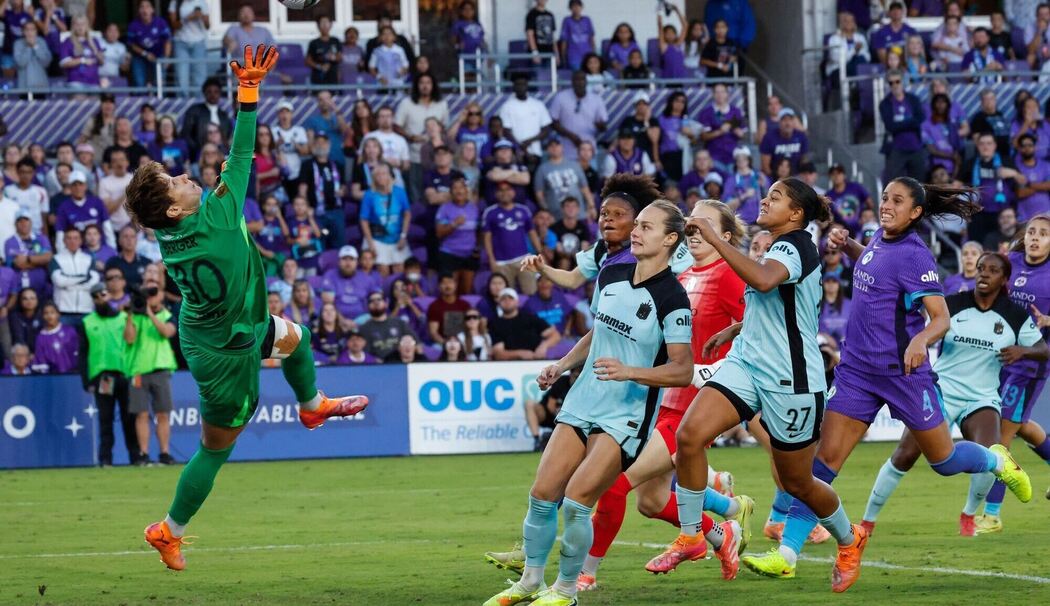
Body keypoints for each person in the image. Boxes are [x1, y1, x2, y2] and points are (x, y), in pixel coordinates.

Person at [126, 45, 367, 570]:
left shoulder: (179, 232)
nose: (188, 176)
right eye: (177, 181)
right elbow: (239, 156)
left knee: (297, 338)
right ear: (173, 208)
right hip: (223, 350)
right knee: (215, 448)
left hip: (227, 323)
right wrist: (249, 92)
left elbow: (226, 168)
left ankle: (311, 405)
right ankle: (168, 530)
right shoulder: (218, 213)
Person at [740, 178, 1032, 585]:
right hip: (858, 372)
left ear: (915, 213)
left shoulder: (917, 255)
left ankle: (997, 460)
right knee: (822, 466)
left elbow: (941, 317)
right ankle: (787, 553)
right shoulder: (879, 237)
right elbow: (878, 272)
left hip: (903, 375)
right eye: (884, 198)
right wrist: (852, 248)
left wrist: (920, 339)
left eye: (897, 201)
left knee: (944, 461)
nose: (886, 206)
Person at [649, 178, 866, 592]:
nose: (766, 200)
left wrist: (714, 237)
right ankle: (694, 533)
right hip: (747, 363)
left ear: (797, 214)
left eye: (777, 197)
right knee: (689, 436)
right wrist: (735, 328)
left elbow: (766, 282)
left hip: (791, 380)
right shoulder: (777, 246)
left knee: (798, 482)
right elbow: (774, 303)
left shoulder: (798, 245)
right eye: (767, 195)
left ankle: (848, 536)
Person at [483, 201, 692, 606]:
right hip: (584, 399)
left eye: (647, 227)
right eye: (638, 225)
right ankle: (529, 582)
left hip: (626, 414)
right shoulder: (612, 273)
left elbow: (682, 369)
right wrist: (561, 365)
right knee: (542, 492)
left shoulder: (673, 298)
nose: (636, 231)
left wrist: (631, 372)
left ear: (669, 240)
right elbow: (598, 333)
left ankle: (565, 591)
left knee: (578, 500)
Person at [583, 200, 751, 589]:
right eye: (692, 220)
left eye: (704, 223)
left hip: (696, 405)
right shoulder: (684, 275)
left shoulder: (728, 275)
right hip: (660, 401)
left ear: (724, 236)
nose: (695, 227)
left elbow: (760, 322)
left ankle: (584, 574)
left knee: (614, 483)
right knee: (651, 501)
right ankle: (720, 528)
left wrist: (720, 359)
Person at [861, 252, 1047, 535]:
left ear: (1004, 279)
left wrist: (1024, 350)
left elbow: (1044, 350)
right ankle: (867, 520)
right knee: (905, 454)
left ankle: (969, 515)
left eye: (993, 270)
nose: (983, 274)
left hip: (983, 397)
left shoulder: (1015, 316)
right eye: (981, 268)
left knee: (991, 459)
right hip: (942, 391)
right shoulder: (952, 305)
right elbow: (924, 332)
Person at [976, 214, 1050, 533]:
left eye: (1043, 234)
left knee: (1000, 439)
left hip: (1030, 367)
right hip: (1002, 359)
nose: (1035, 237)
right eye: (1031, 232)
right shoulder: (1013, 261)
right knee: (1019, 427)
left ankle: (992, 515)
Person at [125, 268, 178, 466]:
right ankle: (144, 454)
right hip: (138, 369)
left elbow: (166, 332)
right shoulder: (135, 316)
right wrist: (132, 312)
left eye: (154, 293)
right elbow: (129, 338)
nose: (151, 297)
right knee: (141, 414)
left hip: (160, 369)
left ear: (162, 295)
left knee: (163, 413)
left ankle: (164, 452)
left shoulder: (167, 315)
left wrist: (148, 313)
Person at [79, 284, 136, 466]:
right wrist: (86, 380)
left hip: (123, 374)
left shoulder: (122, 318)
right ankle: (106, 459)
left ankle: (135, 457)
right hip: (104, 377)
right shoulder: (88, 322)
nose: (100, 298)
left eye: (102, 294)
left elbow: (131, 341)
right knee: (106, 417)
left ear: (109, 295)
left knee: (129, 417)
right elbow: (83, 353)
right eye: (95, 296)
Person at [962, 133, 1023, 245]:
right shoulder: (971, 163)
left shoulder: (1005, 161)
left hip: (1001, 215)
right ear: (978, 146)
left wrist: (1013, 173)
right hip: (978, 215)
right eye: (982, 144)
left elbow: (1023, 181)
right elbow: (957, 186)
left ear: (995, 146)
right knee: (977, 246)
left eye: (989, 143)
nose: (985, 147)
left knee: (1002, 247)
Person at [483, 181, 542, 295]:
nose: (505, 193)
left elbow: (532, 233)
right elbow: (487, 238)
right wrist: (491, 259)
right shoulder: (490, 212)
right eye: (501, 190)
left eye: (508, 189)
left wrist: (540, 252)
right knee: (505, 295)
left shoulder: (523, 210)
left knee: (531, 292)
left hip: (524, 259)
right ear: (496, 194)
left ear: (513, 192)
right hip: (501, 262)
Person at [360, 162, 411, 276]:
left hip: (397, 237)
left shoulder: (399, 192)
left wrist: (403, 236)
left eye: (384, 174)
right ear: (374, 178)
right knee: (383, 270)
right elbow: (364, 220)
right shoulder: (369, 195)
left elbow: (407, 213)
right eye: (378, 175)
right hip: (377, 238)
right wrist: (370, 243)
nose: (381, 177)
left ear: (390, 176)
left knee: (400, 269)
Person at [435, 175, 480, 296]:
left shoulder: (474, 208)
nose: (459, 191)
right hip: (450, 254)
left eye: (462, 188)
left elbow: (479, 231)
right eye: (455, 188)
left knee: (467, 291)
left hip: (469, 254)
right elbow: (439, 233)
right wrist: (454, 224)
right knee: (451, 292)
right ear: (451, 192)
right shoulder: (444, 209)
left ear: (466, 191)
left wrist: (477, 248)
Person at [548, 71, 608, 161]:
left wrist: (601, 126)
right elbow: (552, 122)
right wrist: (571, 136)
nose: (579, 82)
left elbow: (603, 125)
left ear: (586, 82)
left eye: (582, 79)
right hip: (565, 149)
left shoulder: (596, 99)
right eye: (576, 80)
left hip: (588, 149)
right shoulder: (561, 97)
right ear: (572, 82)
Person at [879, 70, 927, 182]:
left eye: (897, 81)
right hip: (896, 148)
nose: (895, 85)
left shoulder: (913, 99)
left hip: (916, 146)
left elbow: (920, 119)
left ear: (902, 82)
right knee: (892, 183)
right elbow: (890, 126)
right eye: (891, 83)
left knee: (919, 183)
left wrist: (900, 124)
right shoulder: (885, 104)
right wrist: (910, 122)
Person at [489, 287, 560, 361]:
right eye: (503, 299)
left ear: (517, 302)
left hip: (538, 360)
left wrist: (544, 346)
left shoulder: (530, 318)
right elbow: (499, 354)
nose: (507, 301)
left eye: (510, 298)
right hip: (510, 364)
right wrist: (520, 354)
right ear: (499, 303)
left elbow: (555, 335)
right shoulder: (495, 324)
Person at [535, 136, 593, 220]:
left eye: (557, 145)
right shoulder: (542, 169)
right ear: (547, 149)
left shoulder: (575, 165)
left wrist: (591, 206)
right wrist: (546, 210)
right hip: (556, 218)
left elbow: (585, 188)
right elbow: (539, 194)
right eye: (551, 146)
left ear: (562, 147)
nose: (554, 148)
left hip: (579, 215)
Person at [499, 73, 553, 163]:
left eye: (523, 84)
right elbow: (506, 131)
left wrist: (529, 141)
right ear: (514, 87)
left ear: (527, 86)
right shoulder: (507, 106)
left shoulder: (538, 105)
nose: (521, 87)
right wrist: (520, 146)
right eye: (518, 85)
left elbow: (546, 130)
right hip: (516, 154)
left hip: (536, 153)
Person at [50, 228, 99, 323]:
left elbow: (94, 282)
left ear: (81, 240)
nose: (72, 241)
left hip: (86, 310)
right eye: (69, 238)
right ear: (64, 241)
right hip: (64, 311)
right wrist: (84, 277)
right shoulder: (56, 259)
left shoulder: (89, 259)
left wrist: (68, 284)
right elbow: (59, 281)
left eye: (76, 238)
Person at [698, 83, 746, 173]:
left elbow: (743, 135)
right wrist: (720, 131)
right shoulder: (706, 112)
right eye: (717, 92)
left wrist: (738, 132)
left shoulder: (736, 111)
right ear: (713, 95)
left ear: (727, 94)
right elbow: (703, 137)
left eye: (722, 92)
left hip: (733, 156)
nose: (720, 95)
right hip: (714, 156)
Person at [359, 290, 417, 360]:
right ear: (368, 306)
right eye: (372, 301)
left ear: (386, 303)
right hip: (377, 367)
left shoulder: (399, 323)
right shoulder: (364, 328)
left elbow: (417, 343)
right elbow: (364, 354)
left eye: (379, 299)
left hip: (400, 364)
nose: (376, 302)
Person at [126, 0, 171, 88]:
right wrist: (145, 54)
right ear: (138, 10)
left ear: (152, 10)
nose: (144, 10)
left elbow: (167, 41)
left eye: (147, 7)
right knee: (139, 82)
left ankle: (160, 101)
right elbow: (131, 44)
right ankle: (141, 100)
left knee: (160, 83)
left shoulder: (160, 22)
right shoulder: (133, 25)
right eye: (142, 7)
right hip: (140, 56)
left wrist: (166, 58)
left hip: (159, 55)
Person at [5, 211, 51, 296]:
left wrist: (28, 259)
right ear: (15, 224)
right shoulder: (10, 242)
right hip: (19, 290)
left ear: (31, 222)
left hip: (41, 287)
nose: (23, 223)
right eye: (20, 221)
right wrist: (40, 261)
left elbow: (48, 258)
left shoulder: (41, 238)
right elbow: (19, 264)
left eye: (26, 220)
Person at [169, 0, 210, 96]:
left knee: (200, 77)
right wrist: (188, 18)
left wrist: (202, 17)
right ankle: (182, 104)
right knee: (181, 77)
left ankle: (199, 102)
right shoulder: (175, 3)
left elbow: (208, 26)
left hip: (199, 42)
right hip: (181, 42)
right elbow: (173, 25)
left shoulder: (202, 3)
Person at [723, 147, 767, 225]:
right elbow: (727, 207)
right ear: (736, 162)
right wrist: (744, 196)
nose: (741, 161)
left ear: (749, 160)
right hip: (739, 223)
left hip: (759, 222)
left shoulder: (759, 176)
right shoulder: (731, 180)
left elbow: (770, 198)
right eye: (738, 159)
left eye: (744, 158)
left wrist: (763, 186)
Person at [760, 108, 809, 177]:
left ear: (794, 122)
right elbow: (765, 165)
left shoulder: (801, 136)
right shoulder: (769, 137)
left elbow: (804, 160)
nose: (787, 123)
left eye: (790, 120)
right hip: (774, 177)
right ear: (779, 122)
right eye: (784, 120)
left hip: (796, 176)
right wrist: (775, 180)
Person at [33, 300, 78, 373]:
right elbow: (41, 362)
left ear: (58, 314)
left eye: (52, 312)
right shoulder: (40, 337)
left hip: (72, 375)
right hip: (52, 378)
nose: (49, 316)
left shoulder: (70, 331)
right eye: (46, 313)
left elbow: (77, 353)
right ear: (42, 316)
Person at [1014, 133, 1050, 223]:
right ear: (1019, 148)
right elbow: (1020, 193)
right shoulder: (1015, 167)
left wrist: (1028, 184)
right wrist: (1042, 187)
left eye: (1030, 145)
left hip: (1046, 212)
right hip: (1024, 215)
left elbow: (1049, 185)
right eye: (1023, 145)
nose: (1027, 148)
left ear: (1035, 147)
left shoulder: (1046, 165)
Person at [427, 272, 472, 344]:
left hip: (464, 343)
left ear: (455, 285)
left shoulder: (465, 305)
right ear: (439, 286)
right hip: (442, 343)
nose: (447, 286)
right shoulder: (434, 306)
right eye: (444, 283)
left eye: (450, 282)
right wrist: (447, 344)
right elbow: (433, 333)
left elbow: (471, 327)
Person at [13, 20, 51, 92]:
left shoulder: (42, 42)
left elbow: (46, 62)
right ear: (23, 31)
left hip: (41, 86)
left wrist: (35, 46)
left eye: (32, 29)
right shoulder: (18, 44)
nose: (29, 32)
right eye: (27, 29)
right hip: (23, 87)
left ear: (36, 31)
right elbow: (20, 63)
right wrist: (28, 47)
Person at [559, 0, 594, 71]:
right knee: (578, 74)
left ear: (581, 7)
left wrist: (593, 53)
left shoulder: (587, 20)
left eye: (578, 6)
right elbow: (564, 40)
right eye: (573, 6)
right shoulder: (567, 21)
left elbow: (591, 38)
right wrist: (563, 56)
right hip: (573, 55)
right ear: (570, 8)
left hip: (587, 54)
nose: (576, 8)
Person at [306, 15, 340, 87]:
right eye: (322, 23)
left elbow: (340, 57)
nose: (324, 25)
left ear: (331, 25)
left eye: (326, 23)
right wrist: (319, 66)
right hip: (318, 75)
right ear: (318, 26)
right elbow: (308, 61)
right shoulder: (314, 43)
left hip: (333, 75)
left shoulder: (335, 41)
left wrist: (333, 57)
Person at [526, 0, 556, 64]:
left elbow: (552, 35)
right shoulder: (531, 14)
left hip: (549, 52)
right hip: (538, 53)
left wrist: (556, 53)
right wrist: (534, 52)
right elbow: (530, 34)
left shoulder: (550, 15)